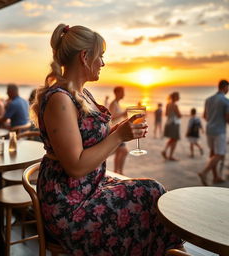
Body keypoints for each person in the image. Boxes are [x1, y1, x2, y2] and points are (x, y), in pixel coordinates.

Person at [30, 24, 184, 255]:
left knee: (154, 191)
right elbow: (76, 166)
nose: (103, 63)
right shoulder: (59, 100)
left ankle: (167, 251)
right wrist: (119, 136)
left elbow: (87, 139)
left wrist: (117, 130)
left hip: (91, 187)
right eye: (100, 56)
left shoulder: (81, 94)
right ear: (84, 57)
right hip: (70, 203)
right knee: (152, 193)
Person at [198, 79, 229, 186]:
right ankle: (204, 173)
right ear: (225, 87)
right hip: (219, 131)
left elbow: (204, 116)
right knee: (220, 154)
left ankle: (215, 177)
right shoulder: (226, 101)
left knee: (213, 153)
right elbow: (228, 119)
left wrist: (213, 120)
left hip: (209, 129)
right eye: (228, 88)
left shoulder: (208, 99)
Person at [108, 86, 128, 174]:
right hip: (115, 131)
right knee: (123, 151)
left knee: (121, 151)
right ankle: (118, 171)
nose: (124, 94)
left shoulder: (117, 103)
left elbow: (119, 116)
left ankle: (118, 171)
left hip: (118, 130)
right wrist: (123, 113)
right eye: (122, 92)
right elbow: (111, 118)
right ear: (117, 93)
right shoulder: (113, 104)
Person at [161, 92, 182, 161]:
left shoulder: (168, 104)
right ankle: (170, 156)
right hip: (174, 124)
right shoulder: (175, 105)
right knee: (174, 140)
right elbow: (179, 115)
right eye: (178, 96)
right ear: (175, 97)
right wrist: (180, 115)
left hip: (168, 123)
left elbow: (166, 114)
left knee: (172, 139)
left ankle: (165, 151)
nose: (179, 97)